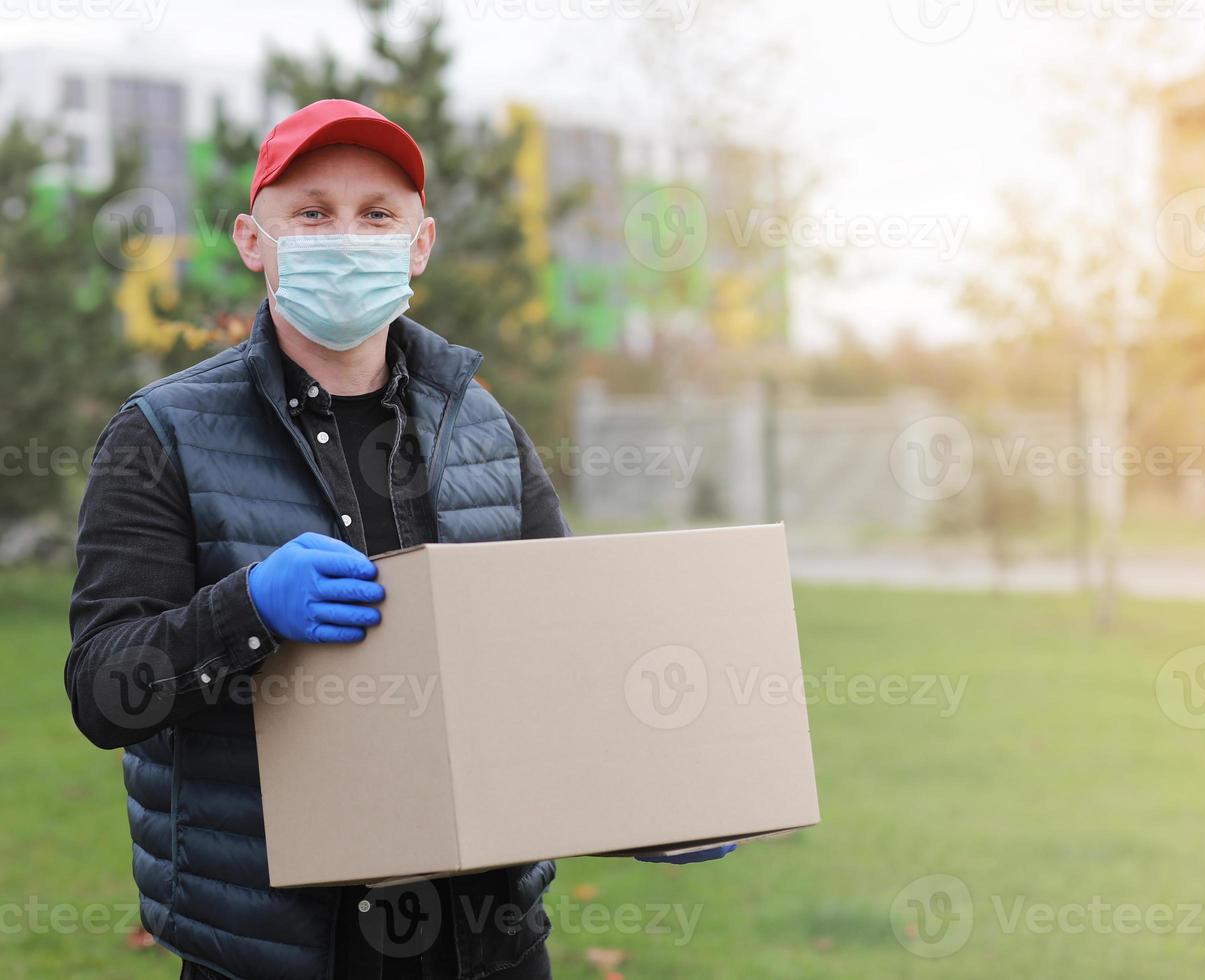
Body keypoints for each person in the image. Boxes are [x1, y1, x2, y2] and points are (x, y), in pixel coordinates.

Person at [65, 98, 731, 980]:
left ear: (419, 245)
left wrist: (656, 802)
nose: (346, 235)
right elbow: (105, 692)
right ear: (250, 241)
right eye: (311, 212)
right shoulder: (162, 436)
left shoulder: (483, 429)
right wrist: (247, 610)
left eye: (377, 214)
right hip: (280, 950)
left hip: (483, 944)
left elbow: (574, 668)